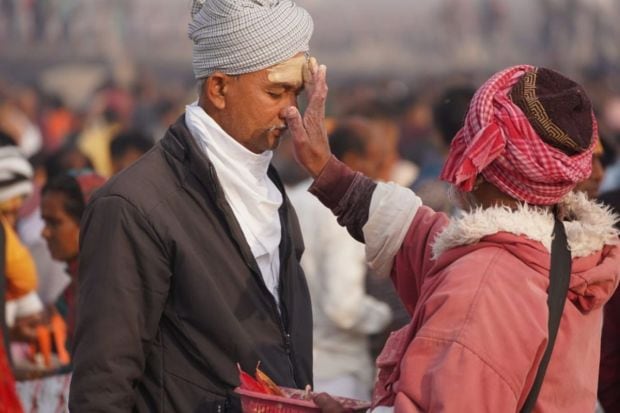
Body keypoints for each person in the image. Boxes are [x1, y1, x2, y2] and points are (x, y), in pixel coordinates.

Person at [283, 65, 620, 411]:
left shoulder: (483, 285)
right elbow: (423, 239)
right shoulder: (557, 250)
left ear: (481, 163)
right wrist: (327, 169)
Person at [69, 0, 315, 411]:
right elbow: (103, 386)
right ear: (219, 88)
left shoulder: (266, 185)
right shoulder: (134, 206)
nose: (291, 111)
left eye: (296, 93)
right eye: (276, 91)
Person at [287, 118, 392, 401]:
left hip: (290, 368)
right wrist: (387, 317)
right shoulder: (342, 215)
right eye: (378, 162)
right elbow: (343, 308)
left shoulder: (291, 200)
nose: (384, 173)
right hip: (337, 375)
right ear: (352, 160)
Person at [40, 171, 106, 344]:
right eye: (44, 222)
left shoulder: (106, 289)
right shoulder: (74, 289)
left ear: (88, 222)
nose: (44, 233)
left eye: (54, 223)